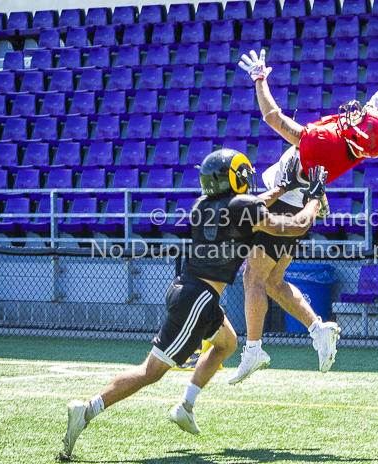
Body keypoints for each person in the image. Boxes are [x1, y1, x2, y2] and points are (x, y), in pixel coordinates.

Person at [59, 149, 328, 460]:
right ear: (233, 178)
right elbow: (294, 226)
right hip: (197, 299)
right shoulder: (240, 206)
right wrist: (314, 197)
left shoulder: (203, 205)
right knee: (151, 371)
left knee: (227, 343)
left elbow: (252, 205)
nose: (246, 179)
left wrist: (282, 187)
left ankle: (186, 405)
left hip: (194, 293)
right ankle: (88, 409)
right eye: (241, 174)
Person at [227, 49, 378, 384]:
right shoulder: (358, 141)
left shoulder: (327, 142)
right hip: (299, 201)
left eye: (358, 120)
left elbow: (272, 117)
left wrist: (260, 78)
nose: (356, 114)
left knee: (253, 279)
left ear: (357, 135)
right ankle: (318, 328)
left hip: (285, 201)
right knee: (272, 281)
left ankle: (254, 349)